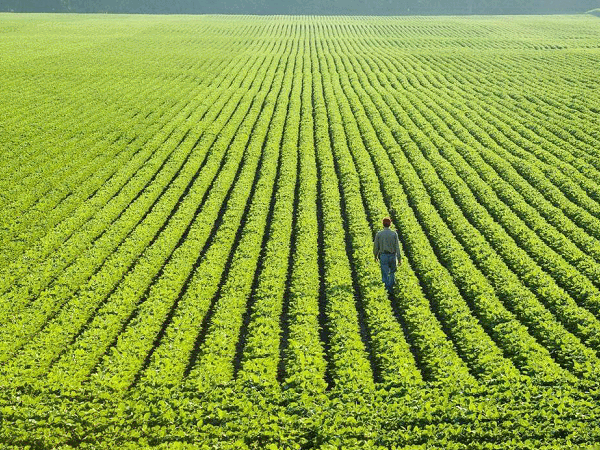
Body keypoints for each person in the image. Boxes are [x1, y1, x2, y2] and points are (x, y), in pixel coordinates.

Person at [373, 217, 401, 294]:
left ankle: (386, 289)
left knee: (384, 272)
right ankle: (391, 288)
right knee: (392, 272)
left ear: (383, 224)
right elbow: (397, 247)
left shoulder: (379, 234)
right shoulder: (393, 234)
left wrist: (375, 256)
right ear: (390, 224)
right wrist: (399, 258)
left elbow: (376, 246)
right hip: (392, 256)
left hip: (383, 256)